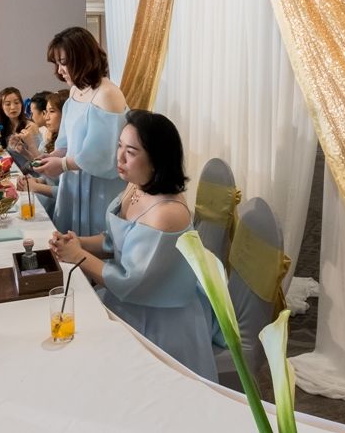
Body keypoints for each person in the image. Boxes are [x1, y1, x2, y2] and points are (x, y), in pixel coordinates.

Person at [49, 110, 219, 381]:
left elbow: (131, 281)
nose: (119, 158)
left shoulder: (167, 213)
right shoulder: (135, 186)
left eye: (131, 152)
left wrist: (78, 255)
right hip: (128, 298)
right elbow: (114, 239)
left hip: (160, 318)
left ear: (157, 159)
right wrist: (80, 242)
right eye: (119, 146)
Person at [35, 27, 127, 236]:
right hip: (74, 179)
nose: (59, 70)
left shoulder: (108, 95)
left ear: (83, 59)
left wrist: (63, 164)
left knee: (91, 240)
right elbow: (68, 142)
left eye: (63, 63)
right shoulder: (76, 90)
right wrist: (52, 156)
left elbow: (103, 157)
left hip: (98, 187)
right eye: (57, 64)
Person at [15, 89, 68, 218]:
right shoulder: (55, 139)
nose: (46, 117)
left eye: (51, 111)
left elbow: (67, 191)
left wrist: (35, 185)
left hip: (56, 206)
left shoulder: (68, 145)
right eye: (45, 112)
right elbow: (50, 178)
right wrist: (36, 181)